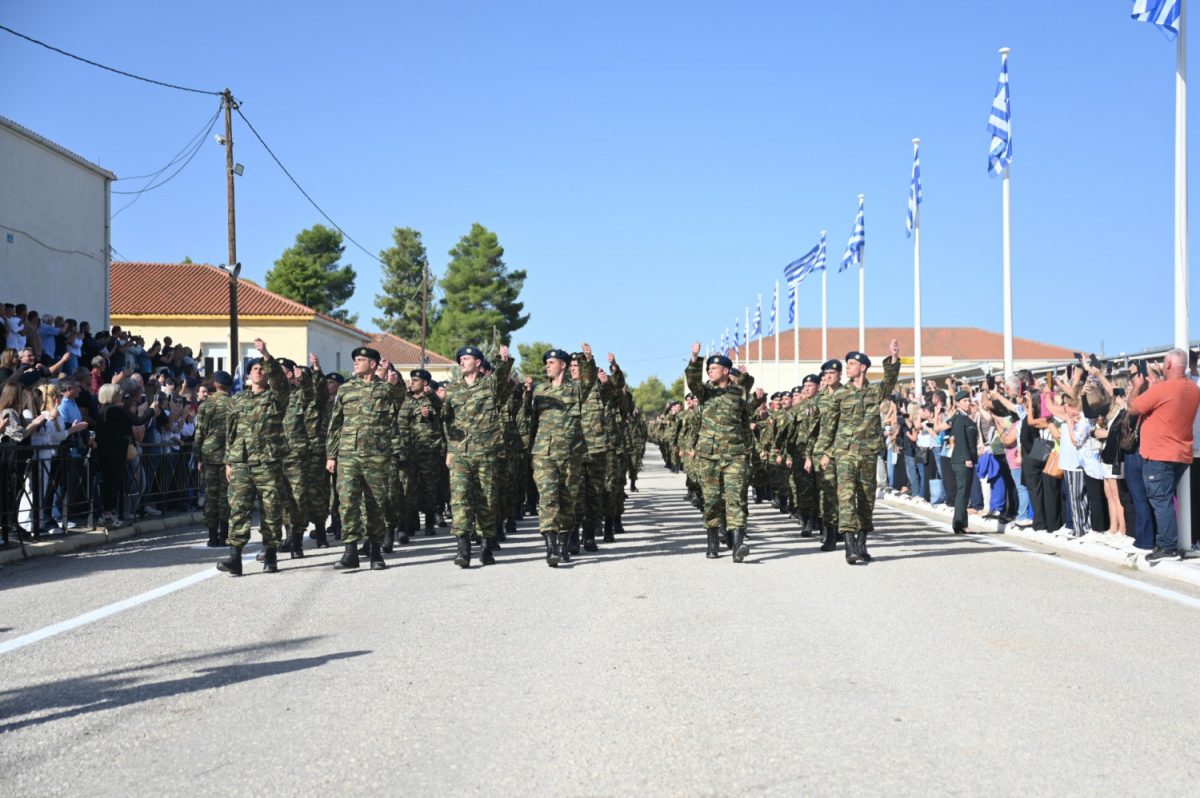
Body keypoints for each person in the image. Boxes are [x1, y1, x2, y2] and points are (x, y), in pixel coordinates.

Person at [817, 341, 900, 563]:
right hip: (844, 453)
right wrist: (826, 452)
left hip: (868, 454)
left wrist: (893, 358)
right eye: (847, 364)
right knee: (846, 499)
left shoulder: (875, 390)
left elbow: (890, 380)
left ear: (863, 367)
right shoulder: (840, 394)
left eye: (852, 364)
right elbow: (829, 425)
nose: (848, 367)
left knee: (866, 499)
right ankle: (849, 546)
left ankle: (862, 543)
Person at [326, 346, 404, 571]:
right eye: (355, 359)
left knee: (376, 505)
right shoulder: (346, 389)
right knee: (348, 502)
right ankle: (350, 551)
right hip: (348, 455)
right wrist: (331, 455)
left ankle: (376, 552)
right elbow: (335, 424)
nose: (356, 363)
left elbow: (400, 396)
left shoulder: (385, 389)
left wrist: (395, 379)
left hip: (377, 456)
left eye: (361, 360)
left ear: (373, 364)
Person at [217, 338, 290, 576]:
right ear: (248, 375)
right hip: (241, 462)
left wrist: (266, 355)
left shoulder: (276, 397)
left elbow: (280, 381)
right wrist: (229, 460)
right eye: (255, 368)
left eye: (262, 368)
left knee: (271, 509)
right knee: (238, 509)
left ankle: (270, 555)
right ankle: (234, 557)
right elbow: (231, 432)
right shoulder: (238, 400)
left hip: (267, 462)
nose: (258, 371)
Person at [441, 345, 513, 568]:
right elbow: (447, 421)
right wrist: (449, 450)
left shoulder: (490, 385)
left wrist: (504, 360)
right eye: (460, 359)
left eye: (466, 358)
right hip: (460, 452)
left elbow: (502, 379)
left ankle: (485, 545)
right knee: (460, 499)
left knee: (487, 499)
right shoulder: (452, 388)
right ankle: (463, 547)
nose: (462, 362)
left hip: (485, 451)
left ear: (478, 362)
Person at [684, 344, 757, 562]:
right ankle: (713, 542)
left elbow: (745, 423)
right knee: (712, 500)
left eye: (714, 368)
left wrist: (749, 450)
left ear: (726, 370)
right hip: (709, 455)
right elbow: (693, 381)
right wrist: (695, 358)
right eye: (708, 368)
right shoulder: (705, 392)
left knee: (735, 499)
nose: (710, 371)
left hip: (735, 455)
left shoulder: (738, 394)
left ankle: (737, 545)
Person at [525, 346, 595, 566]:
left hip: (570, 454)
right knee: (548, 498)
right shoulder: (539, 391)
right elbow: (529, 419)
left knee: (568, 500)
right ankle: (551, 547)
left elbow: (589, 380)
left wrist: (588, 360)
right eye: (546, 363)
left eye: (551, 362)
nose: (547, 366)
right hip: (544, 453)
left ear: (562, 365)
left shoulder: (576, 389)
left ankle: (563, 543)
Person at [1129, 348, 1200, 561]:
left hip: (1159, 454)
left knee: (1161, 500)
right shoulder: (1193, 389)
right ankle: (1172, 541)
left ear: (1168, 365)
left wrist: (1137, 387)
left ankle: (1167, 545)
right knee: (1167, 500)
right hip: (1181, 452)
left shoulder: (1162, 389)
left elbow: (1132, 408)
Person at [193, 371, 234, 547]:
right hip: (229, 457)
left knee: (210, 496)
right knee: (225, 497)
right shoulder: (234, 404)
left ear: (215, 384)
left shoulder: (206, 405)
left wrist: (198, 457)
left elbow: (199, 433)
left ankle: (212, 536)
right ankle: (224, 535)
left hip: (209, 456)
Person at [948, 390, 979, 534]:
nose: (968, 403)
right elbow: (961, 441)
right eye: (965, 401)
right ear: (958, 403)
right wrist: (967, 458)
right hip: (962, 460)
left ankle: (961, 523)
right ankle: (959, 524)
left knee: (964, 493)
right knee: (963, 493)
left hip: (965, 459)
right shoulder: (960, 418)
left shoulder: (964, 417)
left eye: (969, 400)